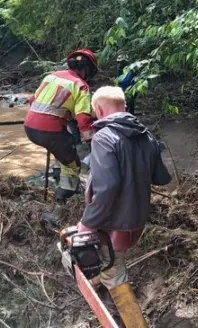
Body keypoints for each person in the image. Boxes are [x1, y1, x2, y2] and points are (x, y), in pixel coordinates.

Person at [76, 86, 171, 309]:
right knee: (112, 262)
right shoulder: (146, 136)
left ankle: (129, 318)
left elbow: (107, 187)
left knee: (114, 272)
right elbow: (161, 177)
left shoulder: (103, 137)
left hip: (111, 222)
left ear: (99, 110)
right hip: (136, 219)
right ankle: (100, 285)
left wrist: (87, 223)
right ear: (125, 107)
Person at [24, 48, 98, 224]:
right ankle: (62, 202)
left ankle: (59, 178)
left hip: (30, 127)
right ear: (87, 69)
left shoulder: (51, 76)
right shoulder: (81, 86)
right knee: (73, 164)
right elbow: (83, 120)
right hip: (50, 131)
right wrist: (93, 144)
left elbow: (32, 100)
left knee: (63, 148)